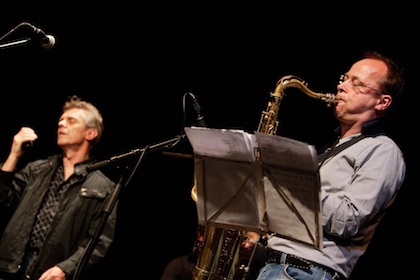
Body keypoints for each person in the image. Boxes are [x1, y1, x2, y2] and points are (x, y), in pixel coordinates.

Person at [255, 50, 406, 280]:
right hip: (281, 267)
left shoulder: (383, 150)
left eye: (357, 84)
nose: (342, 87)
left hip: (305, 272)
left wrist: (290, 183)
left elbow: (348, 220)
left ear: (382, 102)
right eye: (344, 79)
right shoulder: (329, 149)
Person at [0, 95, 117, 280]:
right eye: (61, 120)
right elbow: (2, 200)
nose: (61, 124)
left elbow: (99, 241)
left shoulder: (102, 187)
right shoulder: (37, 169)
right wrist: (14, 155)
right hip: (10, 269)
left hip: (49, 273)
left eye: (71, 121)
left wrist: (65, 269)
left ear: (90, 133)